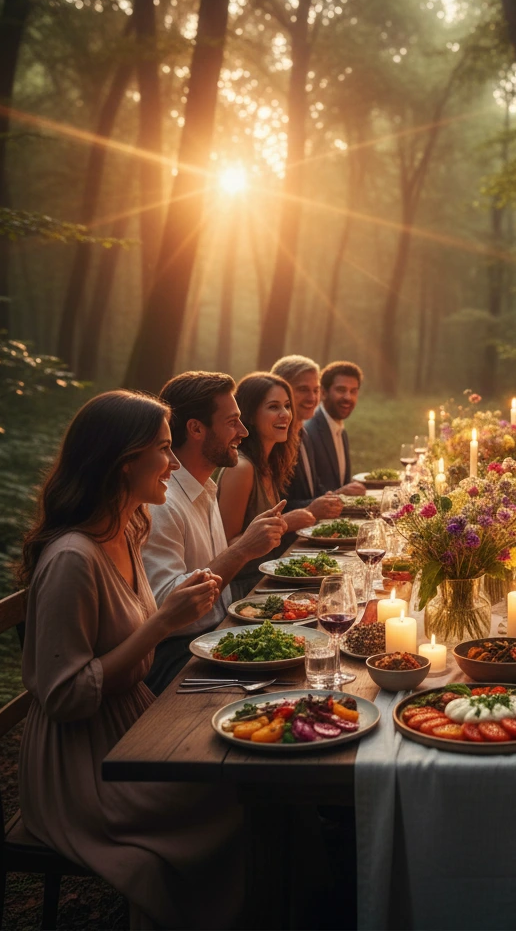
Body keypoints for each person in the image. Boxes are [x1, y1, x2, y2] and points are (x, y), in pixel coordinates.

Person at [17, 390, 242, 928]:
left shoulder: (129, 527)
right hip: (84, 762)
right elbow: (66, 696)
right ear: (124, 463)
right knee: (240, 800)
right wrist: (164, 623)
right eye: (163, 450)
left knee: (248, 776)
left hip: (134, 724)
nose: (172, 462)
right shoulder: (73, 558)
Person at [142, 371, 289, 694]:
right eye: (232, 422)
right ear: (196, 428)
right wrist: (242, 550)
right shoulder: (164, 504)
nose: (243, 431)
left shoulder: (205, 487)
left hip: (215, 636)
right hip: (175, 656)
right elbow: (165, 606)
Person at [217, 372, 332, 596]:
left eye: (287, 406)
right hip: (245, 591)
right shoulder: (241, 468)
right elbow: (224, 550)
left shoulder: (270, 463)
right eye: (273, 407)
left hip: (271, 581)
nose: (285, 415)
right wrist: (286, 523)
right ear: (249, 415)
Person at [270, 354, 344, 517]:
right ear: (280, 390)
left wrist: (339, 496)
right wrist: (312, 508)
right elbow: (274, 506)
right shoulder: (272, 441)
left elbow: (313, 490)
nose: (312, 398)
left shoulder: (303, 434)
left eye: (316, 390)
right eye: (303, 389)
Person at [305, 360, 366, 496]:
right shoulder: (308, 431)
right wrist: (340, 493)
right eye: (341, 390)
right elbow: (307, 495)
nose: (348, 397)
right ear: (324, 393)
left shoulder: (340, 430)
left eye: (353, 391)